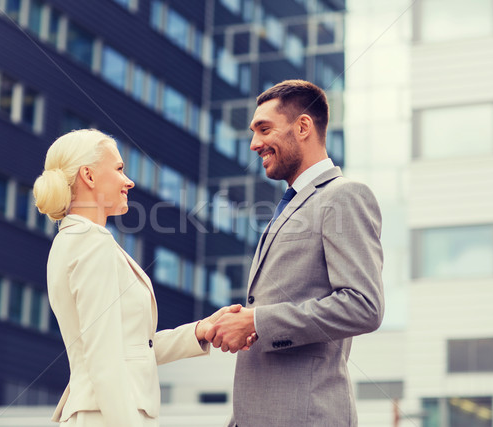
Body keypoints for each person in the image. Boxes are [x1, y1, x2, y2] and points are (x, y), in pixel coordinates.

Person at [33, 129, 246, 426]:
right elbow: (104, 358)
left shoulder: (72, 240)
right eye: (119, 169)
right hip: (109, 416)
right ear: (89, 177)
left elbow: (131, 348)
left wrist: (199, 330)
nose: (128, 180)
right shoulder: (92, 242)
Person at [205, 80, 385, 426]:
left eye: (264, 129)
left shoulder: (343, 196)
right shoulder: (291, 206)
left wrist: (257, 321)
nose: (255, 143)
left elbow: (365, 306)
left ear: (303, 127)